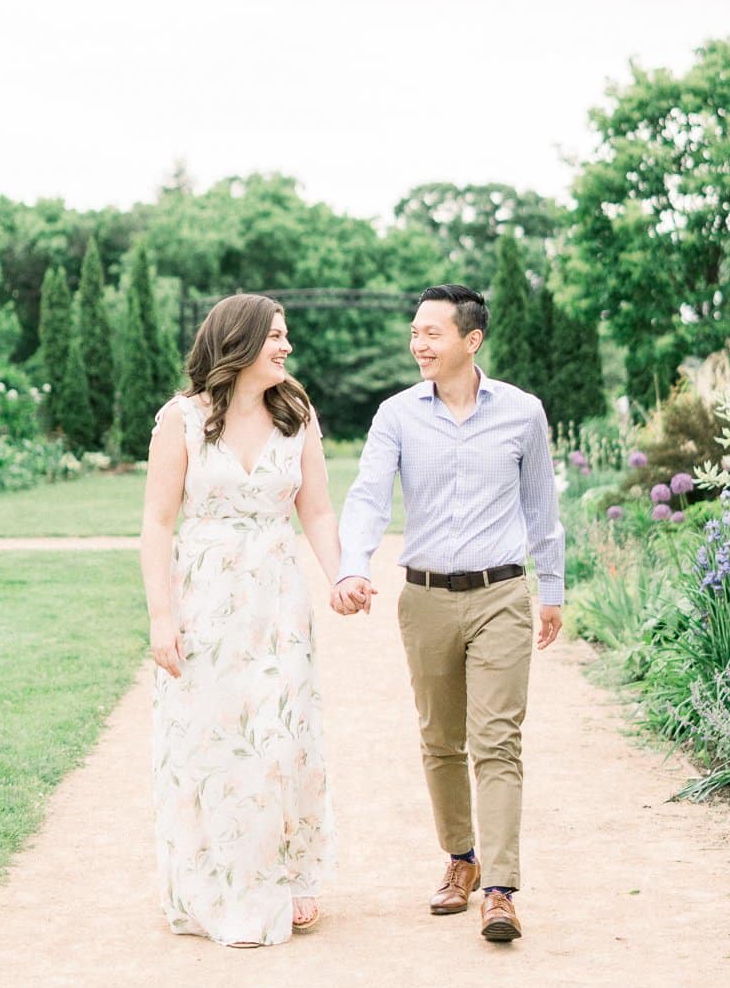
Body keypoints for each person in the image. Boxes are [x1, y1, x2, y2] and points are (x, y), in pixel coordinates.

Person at [331, 283, 564, 945]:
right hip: (425, 597)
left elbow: (541, 510)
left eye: (431, 333)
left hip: (500, 596)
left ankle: (501, 890)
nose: (417, 344)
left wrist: (552, 590)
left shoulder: (522, 414)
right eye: (414, 332)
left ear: (471, 340)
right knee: (440, 740)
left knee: (497, 742)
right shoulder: (396, 416)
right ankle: (461, 859)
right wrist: (354, 565)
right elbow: (369, 496)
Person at [141, 293, 339, 947]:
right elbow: (157, 523)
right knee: (212, 739)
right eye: (275, 336)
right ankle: (214, 881)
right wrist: (162, 617)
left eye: (286, 336)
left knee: (280, 739)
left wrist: (340, 575)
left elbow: (315, 510)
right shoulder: (182, 420)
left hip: (277, 605)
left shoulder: (296, 413)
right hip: (207, 603)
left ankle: (288, 875)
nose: (286, 347)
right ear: (239, 342)